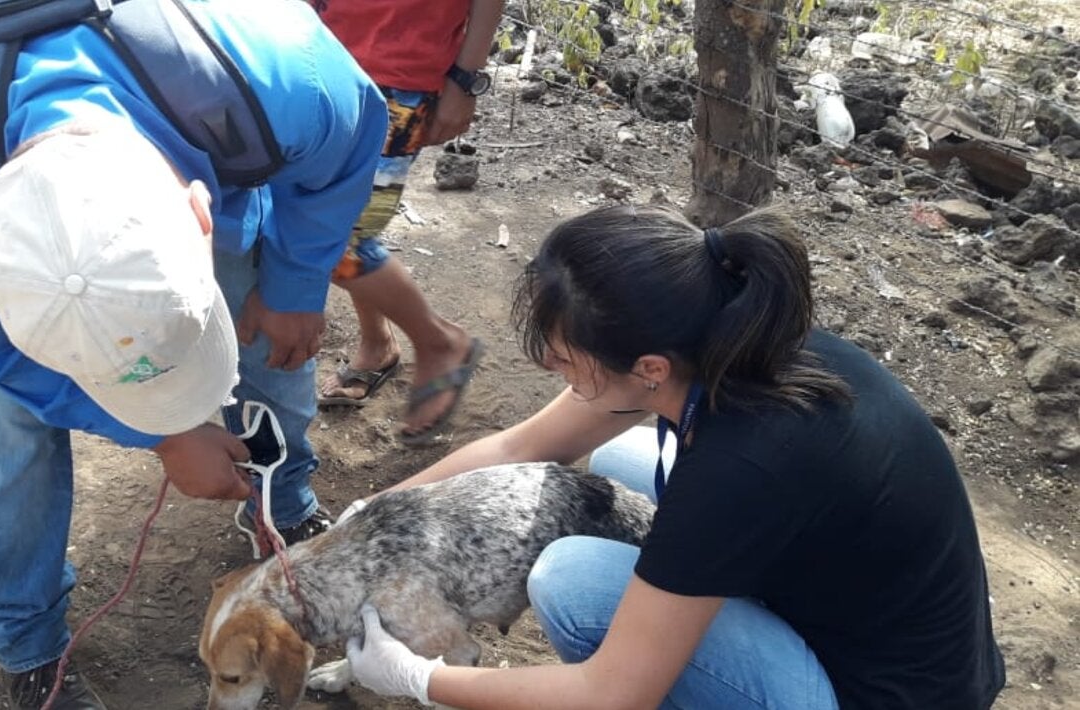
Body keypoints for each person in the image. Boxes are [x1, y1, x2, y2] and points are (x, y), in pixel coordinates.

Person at [0, 0, 388, 706]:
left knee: (265, 330)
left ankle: (279, 504)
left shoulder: (274, 72)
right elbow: (2, 366)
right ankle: (26, 639)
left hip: (185, 118)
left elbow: (347, 142)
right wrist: (163, 431)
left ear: (201, 209)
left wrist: (295, 284)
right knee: (8, 419)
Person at [340, 204, 1006, 709]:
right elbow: (521, 446)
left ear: (649, 367)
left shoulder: (739, 466)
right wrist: (377, 513)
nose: (553, 368)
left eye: (568, 360)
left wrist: (422, 679)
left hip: (877, 692)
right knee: (620, 458)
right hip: (894, 628)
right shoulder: (726, 343)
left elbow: (611, 692)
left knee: (570, 582)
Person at [312, 0, 505, 444]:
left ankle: (438, 341)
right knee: (345, 219)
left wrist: (465, 80)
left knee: (340, 240)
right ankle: (378, 344)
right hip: (314, 54)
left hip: (398, 80)